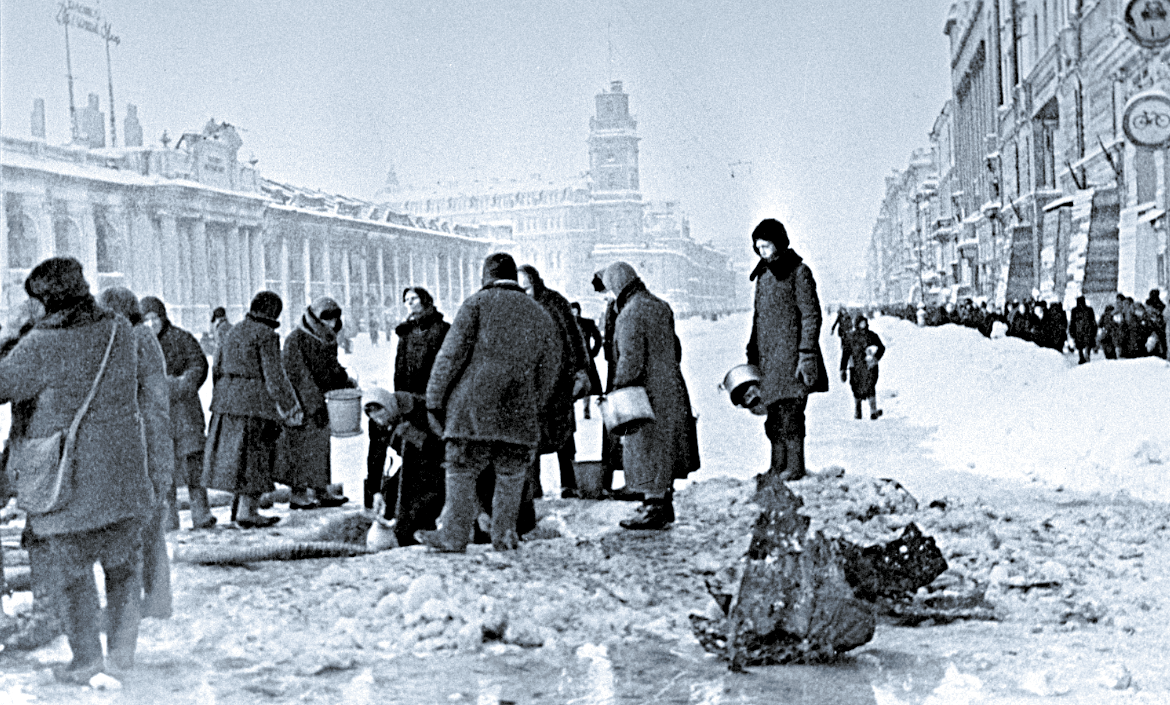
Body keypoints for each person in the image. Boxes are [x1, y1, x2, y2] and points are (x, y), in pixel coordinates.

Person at [0, 257, 155, 683]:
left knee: (73, 577)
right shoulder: (119, 330)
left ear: (45, 300)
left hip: (67, 482)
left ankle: (87, 661)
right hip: (124, 475)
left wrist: (13, 333)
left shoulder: (40, 345)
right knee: (123, 570)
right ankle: (122, 659)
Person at [417, 253, 560, 552]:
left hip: (471, 409)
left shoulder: (476, 304)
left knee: (461, 469)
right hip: (519, 411)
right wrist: (534, 403)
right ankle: (505, 535)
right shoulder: (539, 313)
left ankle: (454, 536)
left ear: (486, 276)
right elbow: (550, 368)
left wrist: (434, 400)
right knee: (510, 475)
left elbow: (451, 357)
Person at [99, 287, 175, 622]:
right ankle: (157, 599)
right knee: (148, 526)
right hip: (150, 442)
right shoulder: (142, 337)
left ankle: (153, 600)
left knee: (144, 528)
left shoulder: (135, 341)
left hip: (145, 444)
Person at [602, 261, 697, 530]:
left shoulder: (630, 313)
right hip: (670, 387)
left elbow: (631, 359)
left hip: (645, 393)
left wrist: (619, 388)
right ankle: (663, 502)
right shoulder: (660, 305)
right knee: (664, 448)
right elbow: (676, 348)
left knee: (647, 448)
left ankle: (653, 508)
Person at [204, 291, 303, 528]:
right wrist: (291, 407)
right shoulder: (266, 335)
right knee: (254, 458)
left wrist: (221, 398)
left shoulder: (232, 330)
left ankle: (237, 510)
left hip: (226, 402)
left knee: (236, 459)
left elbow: (216, 367)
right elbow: (275, 378)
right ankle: (248, 513)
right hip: (254, 405)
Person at [742, 218, 828, 485]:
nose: (762, 251)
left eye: (766, 245)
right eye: (758, 247)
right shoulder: (763, 277)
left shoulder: (798, 272)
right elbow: (758, 318)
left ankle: (795, 464)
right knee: (773, 416)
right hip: (768, 360)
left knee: (791, 413)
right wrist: (752, 351)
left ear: (779, 244)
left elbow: (811, 316)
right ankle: (776, 464)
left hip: (793, 359)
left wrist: (806, 353)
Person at [140, 296, 214, 530]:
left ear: (163, 317)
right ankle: (168, 518)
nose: (152, 324)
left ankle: (201, 513)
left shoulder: (181, 338)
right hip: (156, 417)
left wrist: (183, 383)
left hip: (185, 413)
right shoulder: (139, 344)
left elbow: (198, 364)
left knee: (193, 465)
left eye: (155, 318)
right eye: (147, 319)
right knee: (164, 470)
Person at [276, 297, 357, 509]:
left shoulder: (327, 339)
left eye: (334, 318)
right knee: (299, 450)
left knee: (320, 448)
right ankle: (298, 493)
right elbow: (298, 376)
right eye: (326, 318)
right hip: (301, 405)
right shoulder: (296, 339)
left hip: (321, 401)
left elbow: (330, 369)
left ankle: (321, 489)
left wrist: (344, 380)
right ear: (315, 318)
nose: (332, 323)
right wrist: (313, 404)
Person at [518, 265, 590, 500]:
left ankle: (569, 484)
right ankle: (533, 487)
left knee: (564, 435)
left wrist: (580, 367)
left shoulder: (555, 301)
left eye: (525, 283)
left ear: (534, 281)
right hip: (531, 381)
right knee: (532, 436)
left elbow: (573, 334)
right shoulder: (517, 304)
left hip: (559, 378)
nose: (523, 288)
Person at [363, 387, 450, 546]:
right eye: (373, 417)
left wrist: (417, 437)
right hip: (405, 468)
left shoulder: (421, 411)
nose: (380, 421)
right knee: (393, 501)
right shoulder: (377, 423)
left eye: (382, 415)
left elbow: (442, 450)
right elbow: (376, 456)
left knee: (421, 506)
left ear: (389, 407)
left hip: (430, 469)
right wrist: (375, 491)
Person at [393, 287, 450, 397]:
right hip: (408, 393)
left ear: (424, 300)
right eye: (406, 299)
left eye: (413, 298)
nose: (409, 302)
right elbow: (400, 365)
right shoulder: (406, 331)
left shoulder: (441, 328)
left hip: (433, 391)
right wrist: (399, 393)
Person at [840, 315, 885, 420]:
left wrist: (875, 358)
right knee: (856, 387)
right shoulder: (850, 337)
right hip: (855, 367)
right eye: (860, 323)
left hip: (869, 367)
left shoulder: (872, 336)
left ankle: (873, 410)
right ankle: (857, 409)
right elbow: (845, 354)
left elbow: (881, 348)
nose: (863, 325)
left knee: (870, 386)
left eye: (864, 322)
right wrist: (842, 369)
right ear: (856, 324)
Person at [571, 302, 603, 420]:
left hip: (585, 358)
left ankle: (586, 408)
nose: (574, 313)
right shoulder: (567, 324)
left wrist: (593, 352)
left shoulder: (587, 323)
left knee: (587, 385)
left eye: (576, 310)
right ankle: (573, 409)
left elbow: (598, 339)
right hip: (573, 358)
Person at [1069, 295, 1097, 364]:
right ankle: (1084, 357)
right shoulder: (1087, 309)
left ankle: (1083, 357)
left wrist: (1071, 331)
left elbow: (1072, 322)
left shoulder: (1075, 310)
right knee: (1083, 345)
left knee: (1081, 345)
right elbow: (1093, 322)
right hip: (1085, 332)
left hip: (1081, 332)